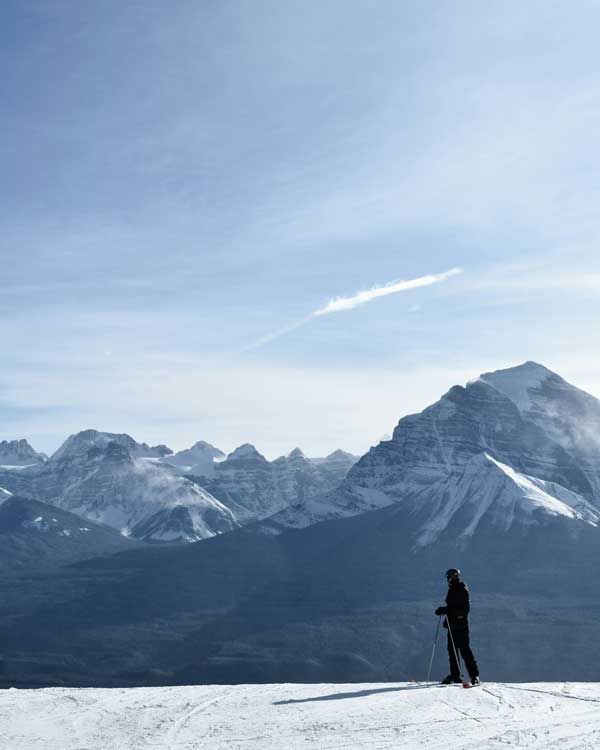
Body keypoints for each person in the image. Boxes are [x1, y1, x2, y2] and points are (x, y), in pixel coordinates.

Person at [434, 568, 480, 685]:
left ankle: (474, 676)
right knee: (453, 651)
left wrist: (446, 610)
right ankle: (456, 675)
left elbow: (464, 608)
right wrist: (446, 610)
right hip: (453, 625)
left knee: (464, 650)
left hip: (460, 626)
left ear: (450, 577)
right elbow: (455, 606)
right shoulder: (455, 588)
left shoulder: (460, 588)